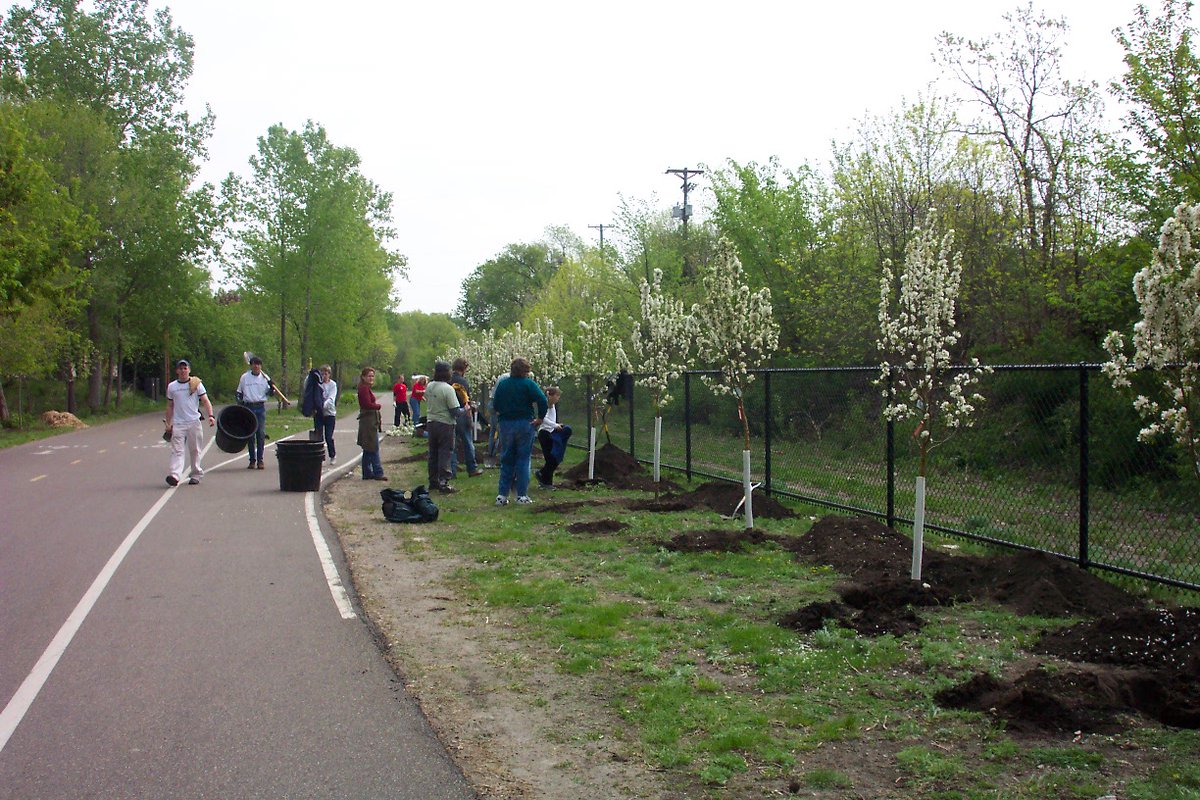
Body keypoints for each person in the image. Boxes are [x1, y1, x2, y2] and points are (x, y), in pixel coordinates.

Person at [492, 357, 547, 506]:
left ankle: (502, 495)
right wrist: (540, 418)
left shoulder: (503, 384)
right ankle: (522, 495)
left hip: (505, 424)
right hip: (524, 423)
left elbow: (495, 404)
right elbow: (542, 400)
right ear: (525, 371)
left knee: (507, 458)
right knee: (523, 459)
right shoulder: (528, 384)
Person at [164, 359, 215, 486]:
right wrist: (168, 423)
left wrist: (211, 415)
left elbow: (205, 400)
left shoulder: (196, 384)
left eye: (185, 368)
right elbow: (170, 405)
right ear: (177, 371)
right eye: (180, 368)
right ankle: (175, 475)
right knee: (177, 450)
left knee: (195, 449)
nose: (183, 371)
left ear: (189, 370)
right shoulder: (172, 387)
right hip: (179, 423)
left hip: (194, 422)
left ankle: (196, 473)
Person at [424, 360, 463, 493]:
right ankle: (444, 482)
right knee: (445, 452)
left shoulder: (429, 386)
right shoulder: (448, 389)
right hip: (445, 424)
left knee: (433, 453)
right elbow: (455, 411)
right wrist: (467, 409)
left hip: (431, 422)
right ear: (447, 373)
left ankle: (433, 481)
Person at [236, 355, 274, 470]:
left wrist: (272, 387)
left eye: (258, 364)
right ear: (251, 365)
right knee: (250, 435)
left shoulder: (265, 378)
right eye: (254, 364)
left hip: (260, 407)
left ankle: (260, 460)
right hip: (248, 407)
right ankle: (252, 460)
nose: (256, 366)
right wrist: (240, 405)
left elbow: (270, 393)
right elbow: (239, 393)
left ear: (260, 366)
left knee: (261, 434)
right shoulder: (244, 377)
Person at [449, 357, 483, 479]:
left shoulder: (448, 380)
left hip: (451, 415)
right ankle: (472, 468)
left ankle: (452, 471)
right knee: (467, 442)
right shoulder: (462, 382)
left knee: (452, 445)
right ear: (463, 368)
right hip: (463, 414)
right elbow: (465, 401)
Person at [535, 386, 571, 489]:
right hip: (544, 433)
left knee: (552, 458)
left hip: (550, 432)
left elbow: (550, 417)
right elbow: (543, 419)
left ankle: (543, 477)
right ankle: (545, 480)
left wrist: (555, 424)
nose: (558, 398)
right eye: (557, 395)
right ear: (550, 396)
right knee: (551, 458)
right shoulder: (546, 405)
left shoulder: (552, 406)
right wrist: (555, 425)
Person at [357, 366, 386, 481]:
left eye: (372, 376)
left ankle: (367, 472)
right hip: (368, 420)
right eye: (369, 376)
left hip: (369, 420)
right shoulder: (363, 389)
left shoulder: (365, 388)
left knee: (368, 448)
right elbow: (366, 404)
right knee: (373, 446)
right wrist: (377, 406)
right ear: (363, 377)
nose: (371, 378)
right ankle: (378, 472)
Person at [312, 364, 338, 465]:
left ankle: (332, 455)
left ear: (329, 374)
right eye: (322, 374)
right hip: (319, 414)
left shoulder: (333, 385)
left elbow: (331, 398)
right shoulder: (318, 384)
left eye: (326, 374)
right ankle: (320, 457)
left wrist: (321, 405)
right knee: (319, 436)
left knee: (328, 436)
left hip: (329, 414)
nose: (324, 376)